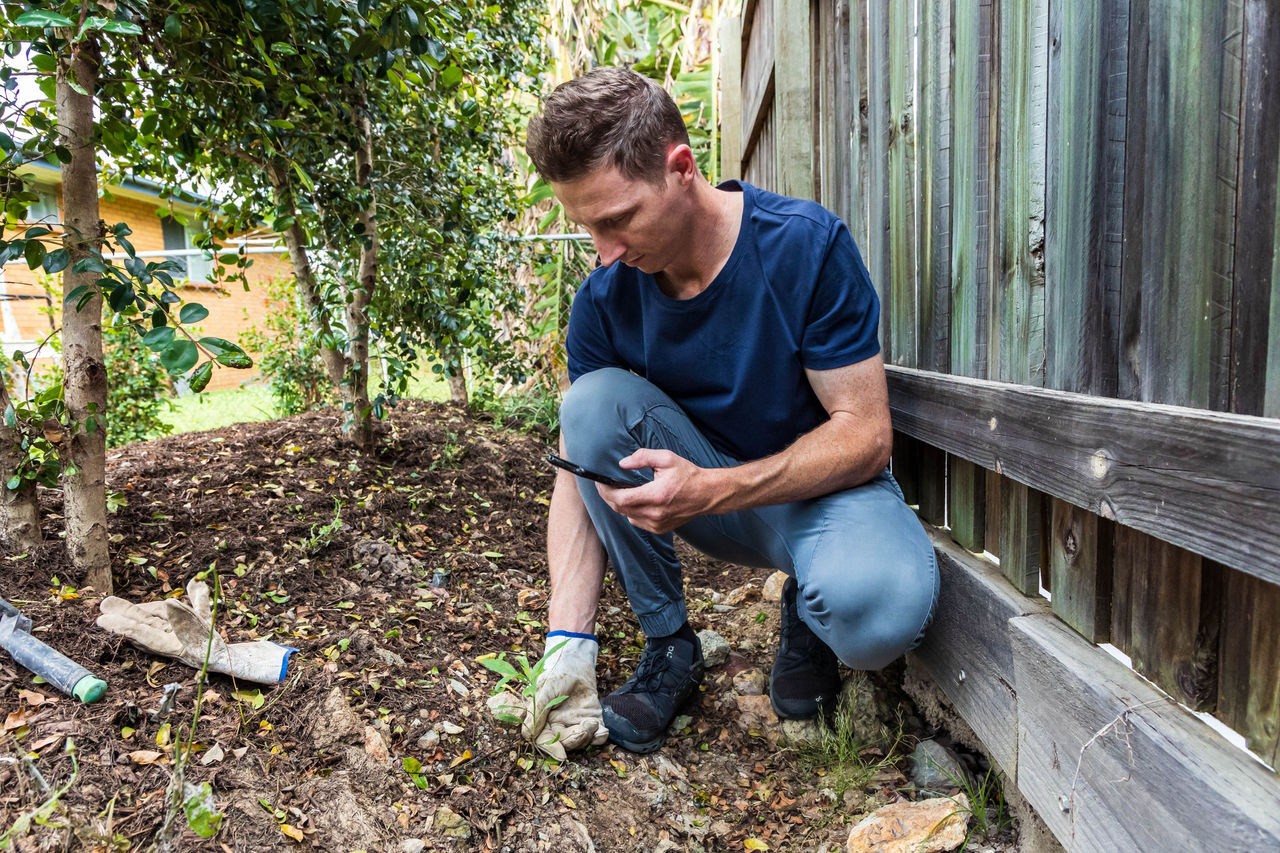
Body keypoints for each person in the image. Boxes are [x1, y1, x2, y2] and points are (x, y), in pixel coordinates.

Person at [500, 67, 938, 757]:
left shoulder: (805, 246)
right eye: (586, 226)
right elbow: (578, 467)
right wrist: (568, 644)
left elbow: (867, 434)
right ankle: (670, 643)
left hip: (822, 493)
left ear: (681, 168)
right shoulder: (605, 299)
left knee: (879, 615)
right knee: (586, 403)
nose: (604, 251)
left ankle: (810, 606)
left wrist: (716, 487)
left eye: (616, 219)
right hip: (706, 500)